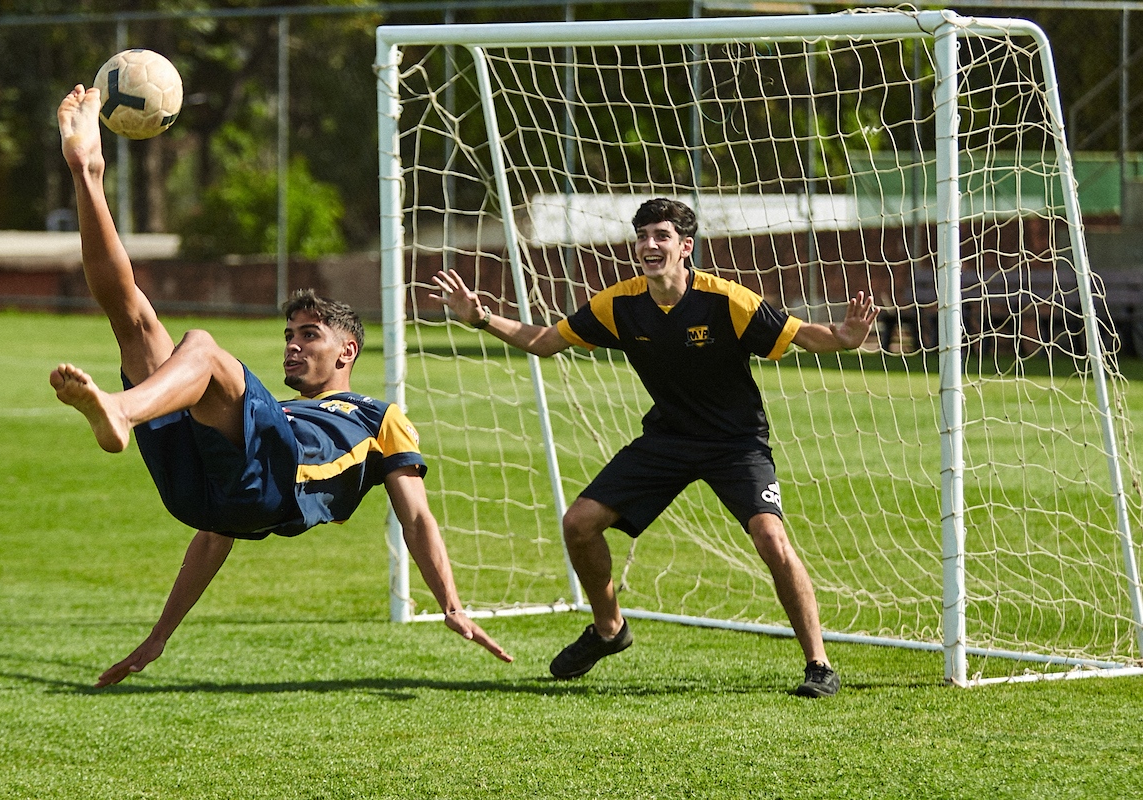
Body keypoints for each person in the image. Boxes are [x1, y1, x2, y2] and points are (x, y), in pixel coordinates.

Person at [51, 84, 511, 689]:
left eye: (309, 335)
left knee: (203, 347)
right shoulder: (273, 410)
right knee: (133, 318)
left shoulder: (377, 415)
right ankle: (88, 171)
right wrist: (158, 637)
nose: (293, 344)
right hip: (205, 492)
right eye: (289, 334)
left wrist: (450, 602)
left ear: (347, 350)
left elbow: (417, 518)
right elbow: (216, 535)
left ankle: (120, 409)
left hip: (281, 478)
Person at [432, 197, 878, 697]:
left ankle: (819, 665)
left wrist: (843, 337)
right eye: (642, 235)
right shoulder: (619, 304)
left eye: (661, 235)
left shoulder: (727, 300)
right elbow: (544, 341)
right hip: (667, 438)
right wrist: (480, 319)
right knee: (578, 524)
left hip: (736, 443)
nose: (649, 244)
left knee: (771, 540)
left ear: (685, 247)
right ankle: (608, 629)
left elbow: (800, 334)